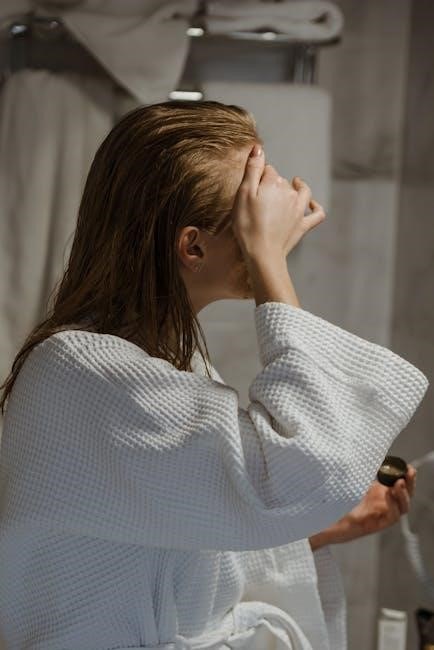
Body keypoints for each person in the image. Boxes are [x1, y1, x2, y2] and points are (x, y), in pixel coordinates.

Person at [0, 100, 428, 650]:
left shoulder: (160, 363)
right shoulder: (83, 373)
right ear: (193, 246)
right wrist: (269, 260)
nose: (270, 220)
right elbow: (304, 466)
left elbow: (173, 551)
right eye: (250, 211)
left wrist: (317, 528)